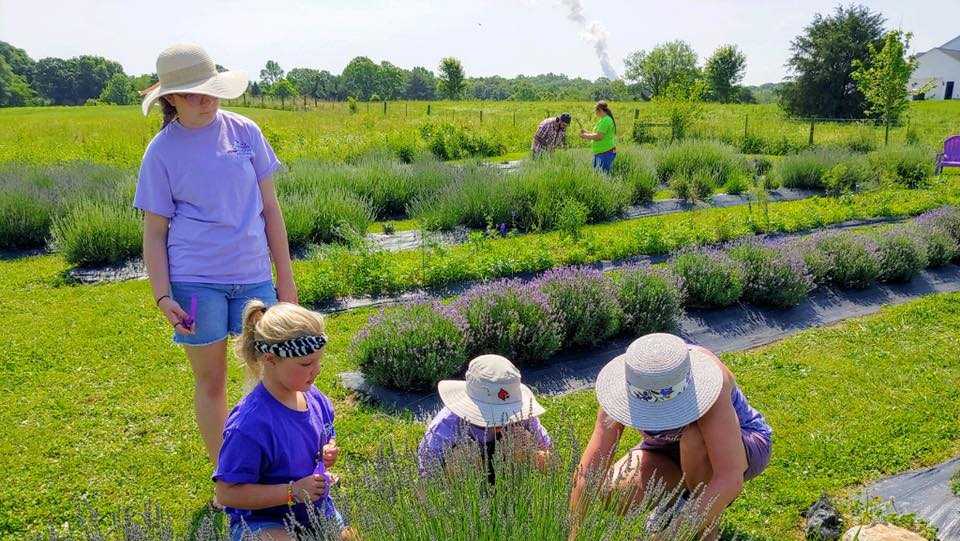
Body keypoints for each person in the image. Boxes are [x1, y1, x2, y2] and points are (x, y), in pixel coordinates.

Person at [134, 43, 298, 473]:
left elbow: (271, 210)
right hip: (194, 284)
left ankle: (275, 464)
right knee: (212, 382)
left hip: (254, 277)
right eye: (192, 94)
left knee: (274, 373)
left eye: (209, 90)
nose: (205, 101)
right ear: (171, 98)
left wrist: (285, 279)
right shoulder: (161, 152)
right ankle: (229, 477)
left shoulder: (245, 132)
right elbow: (154, 233)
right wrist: (162, 296)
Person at [569, 333, 772, 540]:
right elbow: (588, 473)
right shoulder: (630, 383)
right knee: (615, 492)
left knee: (694, 437)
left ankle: (706, 529)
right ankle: (679, 502)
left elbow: (728, 477)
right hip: (666, 448)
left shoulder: (711, 383)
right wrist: (573, 535)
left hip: (738, 445)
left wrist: (669, 536)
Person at [214, 301, 356, 541]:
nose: (317, 370)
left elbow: (327, 431)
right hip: (263, 520)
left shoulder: (314, 398)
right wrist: (292, 492)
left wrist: (328, 448)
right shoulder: (250, 425)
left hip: (314, 509)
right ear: (270, 359)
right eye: (306, 363)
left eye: (318, 360)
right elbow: (226, 493)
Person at [418, 354, 553, 482]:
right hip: (465, 489)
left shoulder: (524, 417)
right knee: (462, 456)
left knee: (521, 441)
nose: (501, 422)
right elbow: (427, 482)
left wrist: (530, 454)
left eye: (507, 414)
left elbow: (553, 462)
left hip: (514, 480)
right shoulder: (444, 429)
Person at [579, 100, 617, 173]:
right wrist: (587, 132)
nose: (595, 112)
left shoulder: (606, 120)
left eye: (595, 110)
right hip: (600, 153)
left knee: (603, 175)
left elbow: (599, 137)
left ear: (600, 110)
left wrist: (585, 136)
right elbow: (597, 133)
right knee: (598, 175)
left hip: (605, 153)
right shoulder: (603, 120)